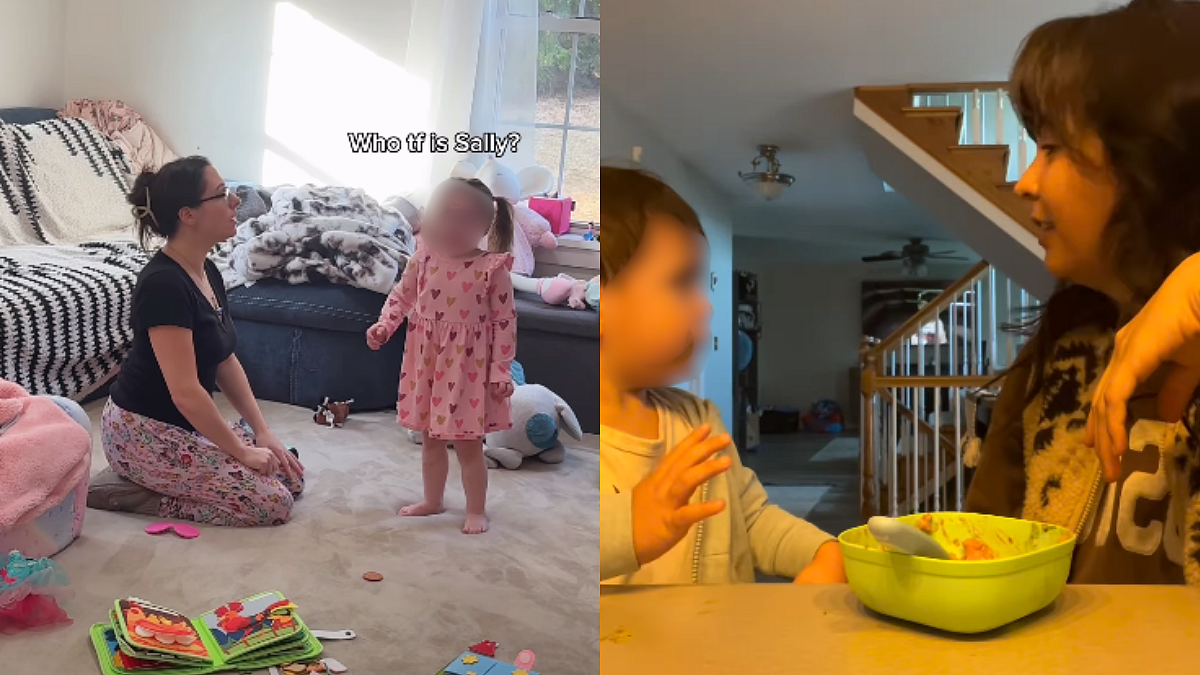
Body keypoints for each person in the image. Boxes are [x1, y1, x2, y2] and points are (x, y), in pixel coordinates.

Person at [965, 0, 1200, 586]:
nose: (1024, 183)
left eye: (1053, 149)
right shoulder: (1054, 360)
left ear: (1155, 159)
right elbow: (982, 551)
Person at [599, 166, 846, 584]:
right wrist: (625, 533)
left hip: (724, 647)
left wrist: (822, 552)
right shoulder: (582, 447)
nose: (707, 306)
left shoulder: (699, 420)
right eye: (682, 283)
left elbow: (750, 519)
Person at [88, 156, 305, 527]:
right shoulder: (162, 286)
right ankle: (130, 492)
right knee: (272, 504)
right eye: (222, 194)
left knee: (290, 475)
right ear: (188, 215)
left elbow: (224, 359)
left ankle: (181, 477)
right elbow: (186, 392)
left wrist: (262, 431)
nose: (236, 201)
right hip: (143, 433)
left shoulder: (205, 269)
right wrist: (240, 450)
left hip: (184, 426)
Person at [367, 177, 517, 535]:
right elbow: (401, 298)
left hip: (468, 370)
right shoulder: (423, 259)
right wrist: (385, 325)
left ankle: (476, 510)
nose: (450, 225)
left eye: (463, 218)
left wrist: (500, 370)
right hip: (428, 363)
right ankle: (432, 500)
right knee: (431, 441)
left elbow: (505, 324)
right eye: (443, 213)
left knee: (468, 446)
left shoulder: (492, 270)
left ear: (483, 227)